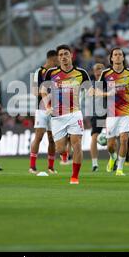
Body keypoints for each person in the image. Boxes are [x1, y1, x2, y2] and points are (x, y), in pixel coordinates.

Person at [41, 45, 91, 184]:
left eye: (66, 54)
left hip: (75, 114)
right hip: (57, 116)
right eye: (61, 54)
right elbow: (43, 91)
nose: (63, 56)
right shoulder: (51, 73)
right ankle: (65, 151)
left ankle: (75, 176)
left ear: (71, 56)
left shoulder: (81, 73)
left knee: (77, 145)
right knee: (60, 149)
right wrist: (48, 105)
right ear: (58, 57)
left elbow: (90, 90)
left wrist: (103, 94)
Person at [98, 48, 129, 176]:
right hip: (111, 114)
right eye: (115, 55)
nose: (118, 56)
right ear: (111, 58)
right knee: (110, 146)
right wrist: (106, 93)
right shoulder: (105, 74)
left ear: (123, 58)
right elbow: (96, 91)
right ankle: (112, 157)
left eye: (120, 54)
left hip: (126, 113)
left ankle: (120, 169)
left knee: (124, 140)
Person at [29, 50, 59, 174]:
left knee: (52, 139)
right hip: (42, 109)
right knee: (39, 136)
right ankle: (32, 167)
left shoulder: (56, 73)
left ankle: (51, 167)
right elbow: (35, 92)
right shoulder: (39, 72)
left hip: (55, 110)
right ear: (51, 60)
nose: (58, 62)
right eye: (57, 60)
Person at [89, 63, 106, 172]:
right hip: (98, 115)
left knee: (113, 137)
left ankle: (114, 159)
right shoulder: (93, 84)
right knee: (94, 136)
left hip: (110, 114)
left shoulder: (110, 83)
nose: (98, 72)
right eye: (96, 70)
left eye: (100, 69)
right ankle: (95, 164)